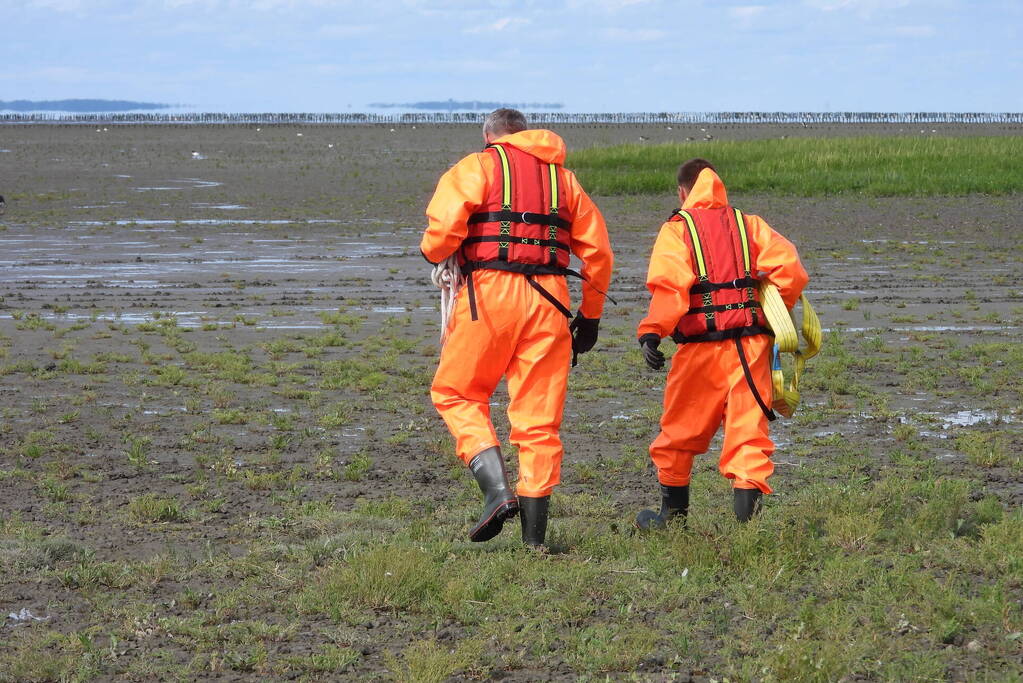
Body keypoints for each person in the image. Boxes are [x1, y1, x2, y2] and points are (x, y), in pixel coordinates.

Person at [421, 109, 614, 547]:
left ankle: (495, 492)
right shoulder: (565, 181)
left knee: (456, 393)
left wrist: (434, 252)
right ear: (527, 135)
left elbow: (443, 235)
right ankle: (535, 541)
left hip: (488, 297)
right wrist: (592, 317)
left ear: (489, 136)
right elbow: (599, 254)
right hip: (551, 300)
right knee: (539, 420)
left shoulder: (477, 166)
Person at [635, 158, 807, 528]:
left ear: (682, 192)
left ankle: (672, 518)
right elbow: (791, 269)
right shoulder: (750, 225)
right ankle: (749, 531)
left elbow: (670, 288)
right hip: (751, 348)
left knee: (679, 432)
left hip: (700, 349)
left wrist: (652, 331)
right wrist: (771, 308)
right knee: (748, 436)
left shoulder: (678, 230)